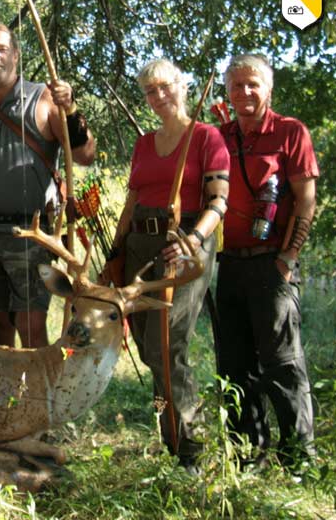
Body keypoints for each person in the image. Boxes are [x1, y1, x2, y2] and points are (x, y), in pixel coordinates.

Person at [105, 59, 229, 469]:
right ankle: (168, 426)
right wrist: (115, 251)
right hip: (139, 244)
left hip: (185, 244)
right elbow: (131, 203)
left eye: (164, 87)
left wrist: (194, 239)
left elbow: (218, 203)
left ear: (182, 86)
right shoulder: (145, 144)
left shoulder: (207, 138)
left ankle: (189, 448)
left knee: (167, 344)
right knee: (146, 345)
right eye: (149, 91)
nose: (158, 97)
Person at [0, 23, 96, 349]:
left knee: (30, 323)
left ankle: (36, 395)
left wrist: (71, 109)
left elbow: (85, 155)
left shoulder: (43, 98)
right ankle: (4, 396)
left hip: (30, 232)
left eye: (2, 49)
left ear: (16, 55)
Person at [217, 54, 318, 468]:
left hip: (271, 264)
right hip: (230, 265)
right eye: (237, 85)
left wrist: (288, 258)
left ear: (268, 89)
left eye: (253, 84)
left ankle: (299, 459)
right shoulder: (219, 136)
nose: (244, 93)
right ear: (227, 92)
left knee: (282, 364)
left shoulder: (290, 132)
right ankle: (248, 457)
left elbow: (306, 200)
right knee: (236, 366)